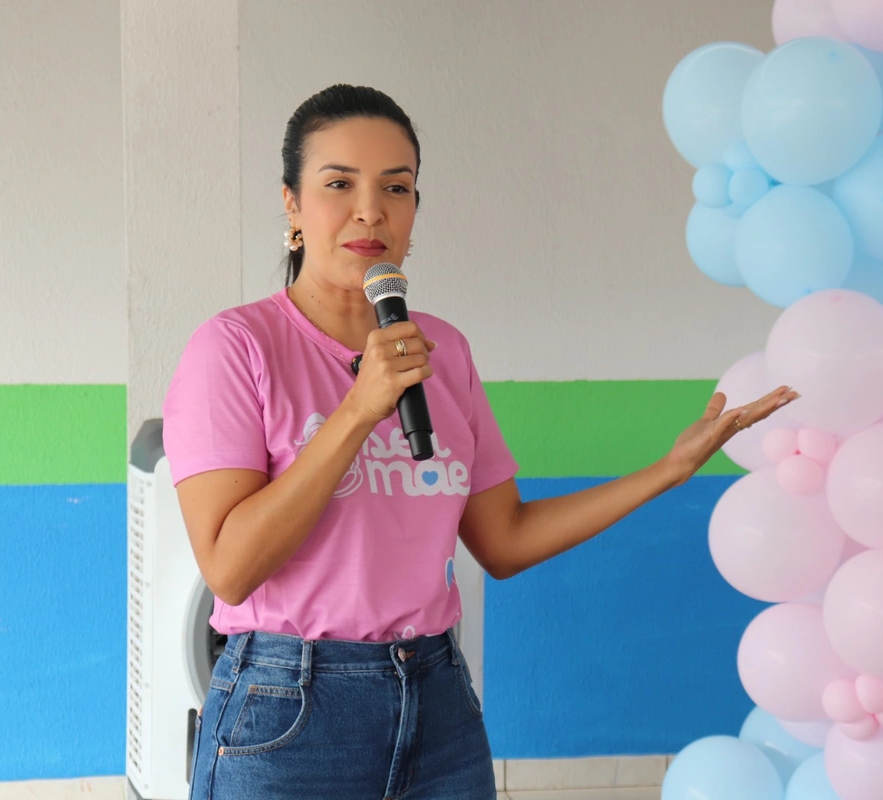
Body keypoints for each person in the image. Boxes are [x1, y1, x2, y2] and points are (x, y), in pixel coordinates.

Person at [162, 84, 797, 800]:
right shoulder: (235, 348)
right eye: (339, 183)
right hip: (288, 711)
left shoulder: (444, 352)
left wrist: (668, 471)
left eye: (396, 187)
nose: (370, 209)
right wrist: (355, 411)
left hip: (436, 701)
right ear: (291, 205)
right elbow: (231, 569)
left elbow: (504, 539)